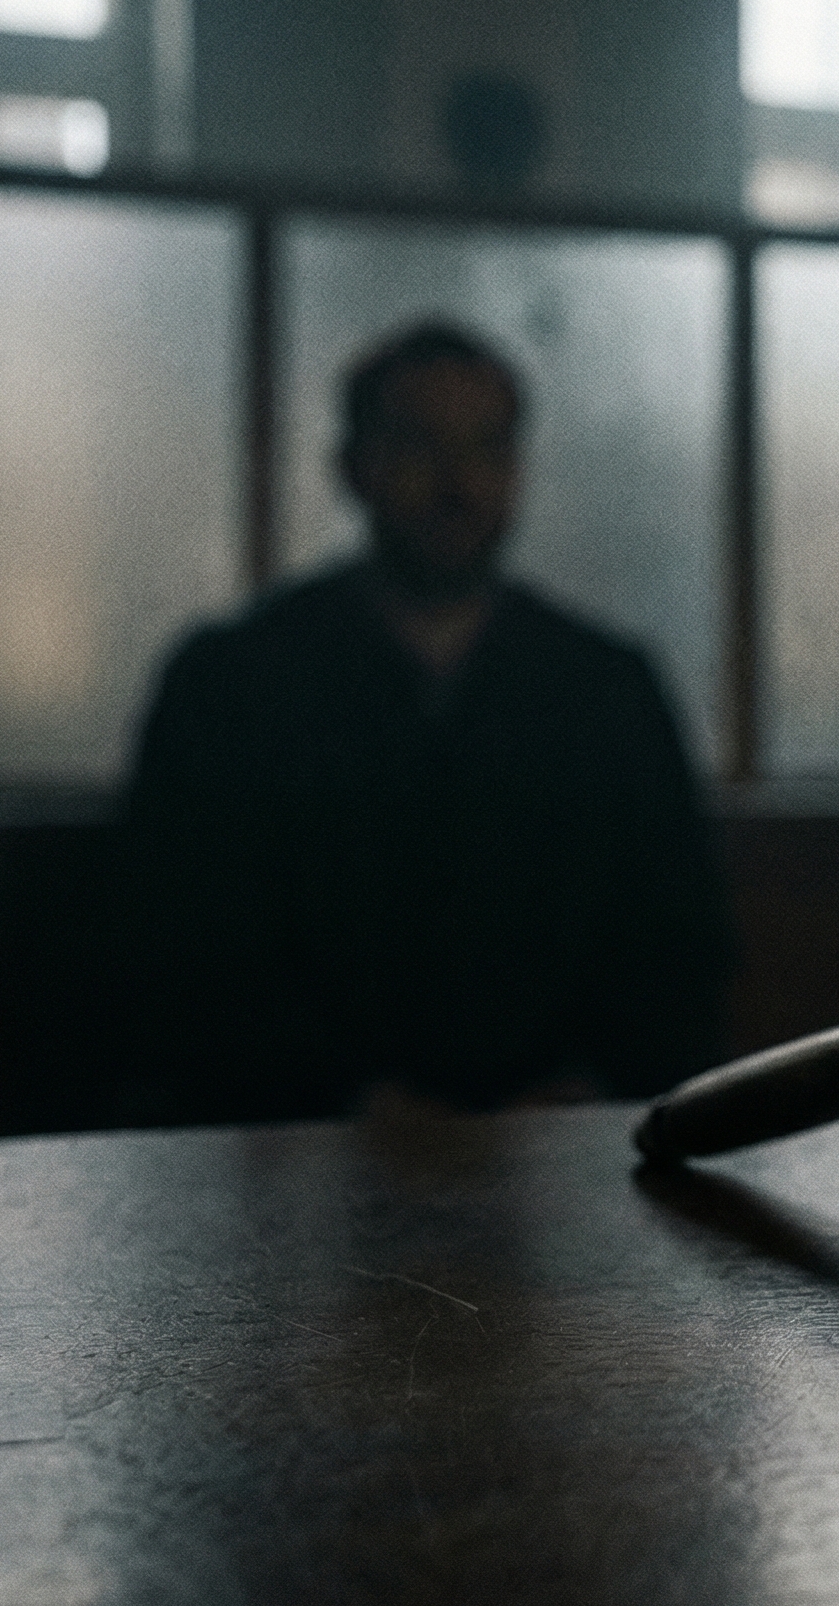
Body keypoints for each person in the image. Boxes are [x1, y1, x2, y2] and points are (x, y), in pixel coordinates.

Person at [120, 323, 734, 1123]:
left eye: (488, 449)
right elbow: (182, 951)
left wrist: (585, 1091)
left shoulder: (606, 688)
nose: (458, 485)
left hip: (563, 1158)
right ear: (351, 469)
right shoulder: (233, 683)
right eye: (418, 446)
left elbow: (682, 946)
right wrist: (349, 1101)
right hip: (298, 1158)